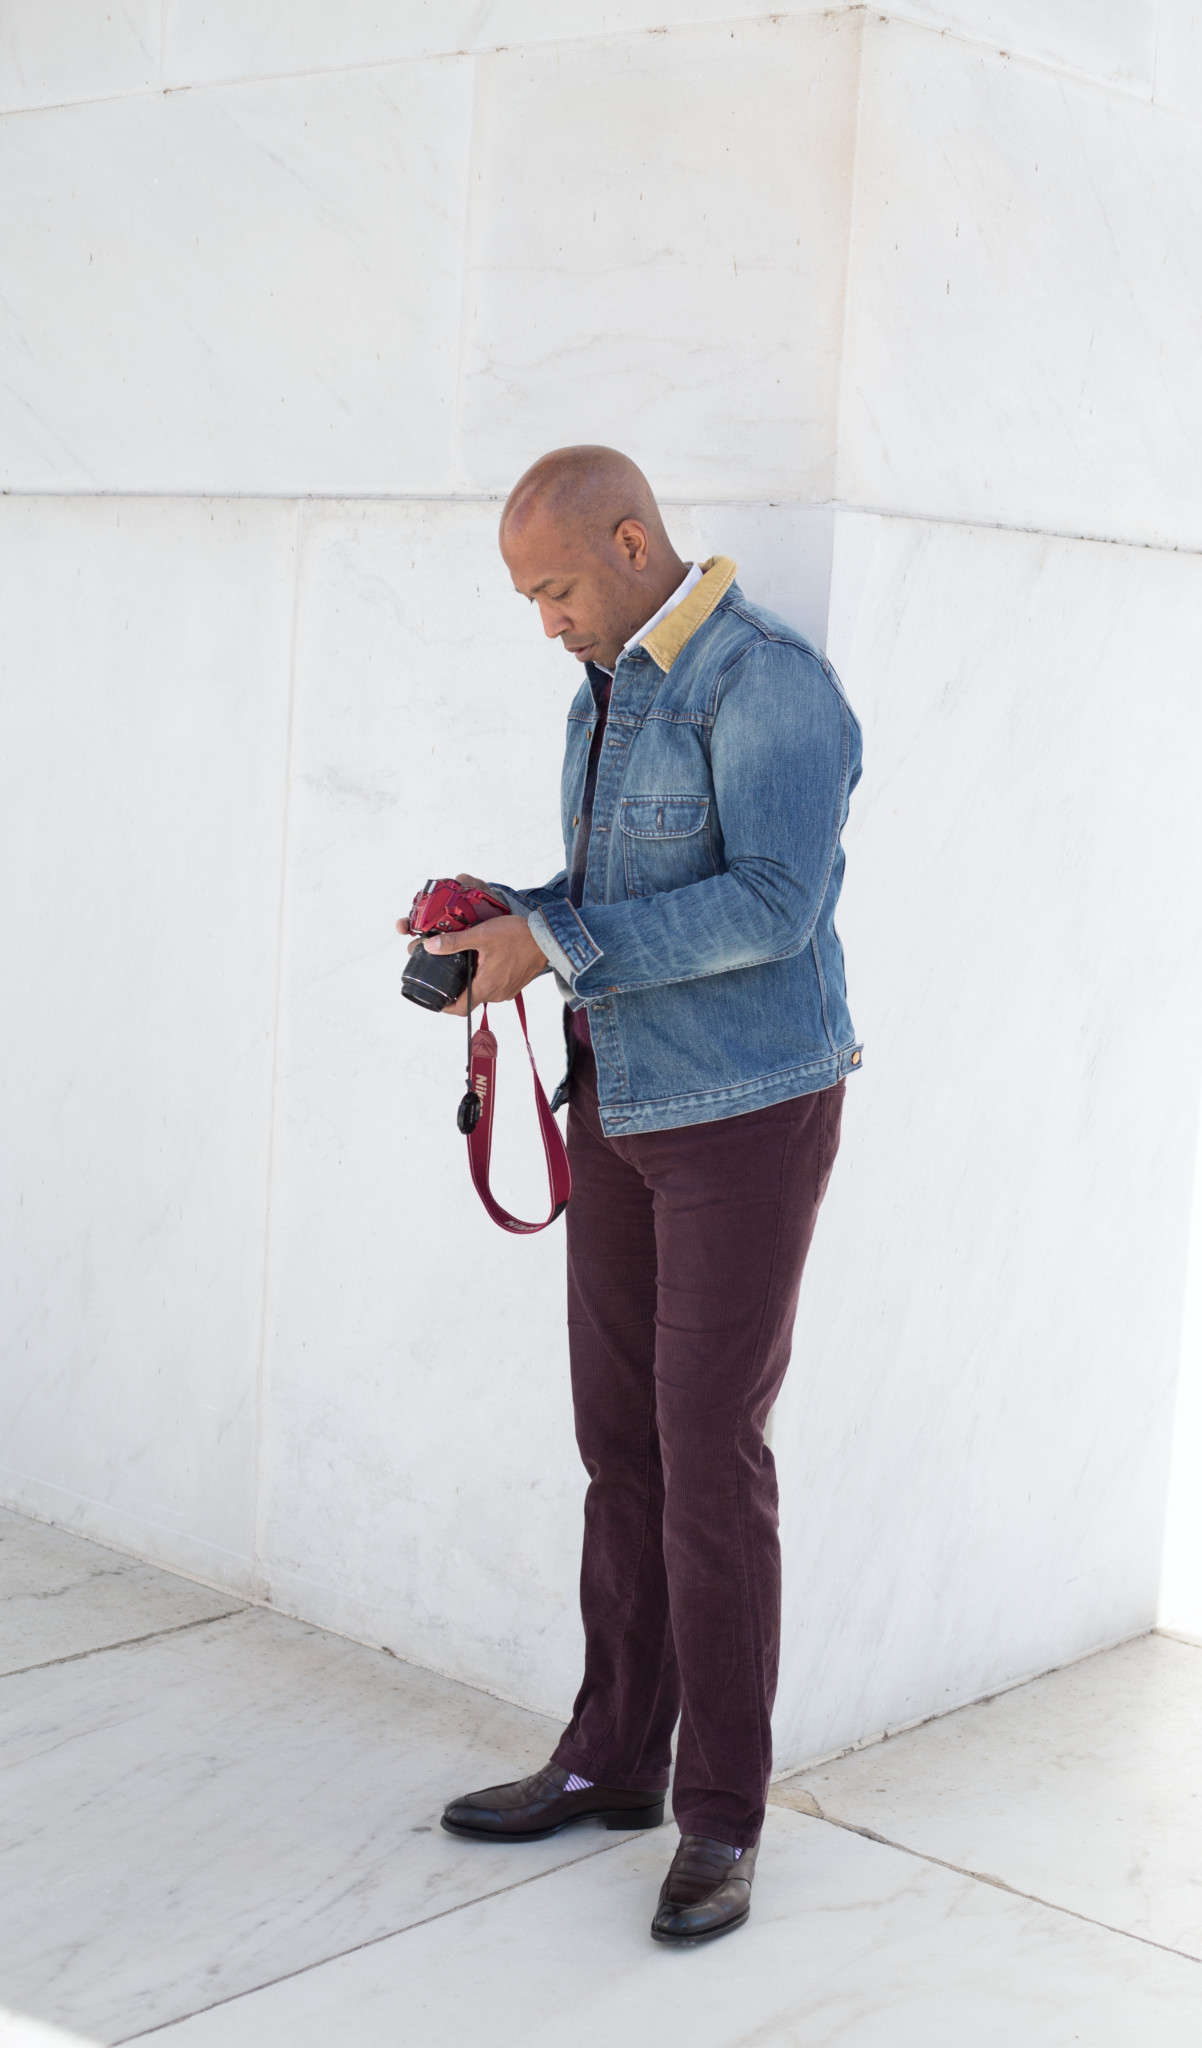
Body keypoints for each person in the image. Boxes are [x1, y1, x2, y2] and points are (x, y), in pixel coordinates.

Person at [399, 445, 862, 1945]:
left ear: (629, 538)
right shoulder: (602, 687)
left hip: (742, 1113)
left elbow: (776, 903)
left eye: (553, 588)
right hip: (616, 1103)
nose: (543, 620)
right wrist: (506, 926)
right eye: (527, 598)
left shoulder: (767, 683)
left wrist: (566, 944)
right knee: (621, 1450)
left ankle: (722, 1820)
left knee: (706, 1456)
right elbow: (617, 892)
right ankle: (611, 1758)